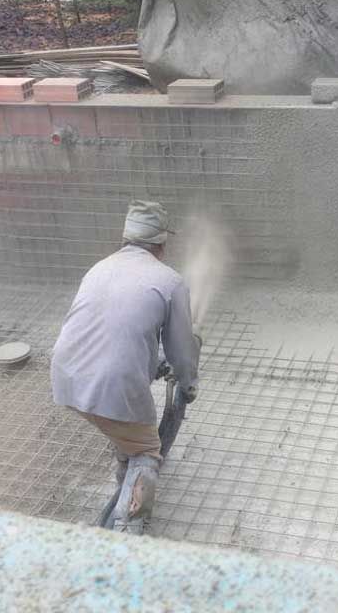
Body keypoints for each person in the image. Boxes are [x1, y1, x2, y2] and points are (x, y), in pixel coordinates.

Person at [50, 200, 200, 534]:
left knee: (124, 430)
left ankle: (124, 474)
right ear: (161, 243)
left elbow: (108, 330)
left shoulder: (98, 267)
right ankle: (125, 530)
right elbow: (182, 353)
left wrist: (152, 361)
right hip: (112, 387)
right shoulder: (170, 280)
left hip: (66, 377)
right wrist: (188, 383)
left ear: (126, 238)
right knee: (147, 450)